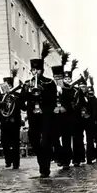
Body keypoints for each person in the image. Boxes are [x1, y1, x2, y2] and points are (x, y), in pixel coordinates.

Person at [24, 42, 57, 178]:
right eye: (33, 70)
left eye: (38, 70)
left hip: (46, 117)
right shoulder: (27, 84)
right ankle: (41, 163)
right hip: (33, 117)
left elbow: (53, 100)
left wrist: (42, 93)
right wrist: (27, 92)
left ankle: (45, 168)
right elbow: (21, 100)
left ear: (42, 70)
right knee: (35, 142)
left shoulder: (49, 83)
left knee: (45, 142)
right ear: (31, 70)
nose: (35, 72)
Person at [0, 68, 26, 170]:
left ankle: (16, 163)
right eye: (6, 87)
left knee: (15, 144)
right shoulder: (1, 97)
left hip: (14, 123)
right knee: (4, 142)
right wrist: (1, 103)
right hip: (4, 123)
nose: (8, 89)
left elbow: (23, 107)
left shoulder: (16, 96)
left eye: (10, 87)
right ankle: (8, 160)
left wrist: (17, 99)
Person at [51, 61, 74, 170]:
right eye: (56, 77)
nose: (58, 79)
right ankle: (59, 157)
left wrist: (63, 90)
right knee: (54, 139)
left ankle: (66, 161)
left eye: (59, 76)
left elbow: (72, 101)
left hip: (66, 117)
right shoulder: (50, 87)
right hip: (54, 117)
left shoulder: (68, 88)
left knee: (66, 140)